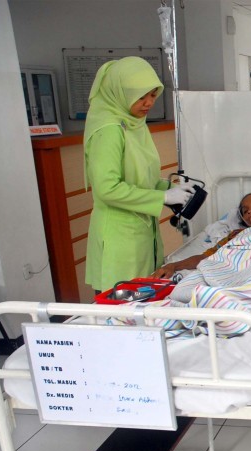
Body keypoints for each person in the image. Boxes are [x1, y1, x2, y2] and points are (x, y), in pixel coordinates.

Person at [83, 56, 194, 292]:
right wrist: (162, 198)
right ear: (120, 93)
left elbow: (141, 180)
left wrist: (170, 189)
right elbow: (107, 189)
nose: (148, 103)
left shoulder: (135, 124)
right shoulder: (109, 130)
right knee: (121, 306)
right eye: (141, 96)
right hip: (118, 236)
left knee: (144, 299)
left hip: (142, 230)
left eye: (153, 95)